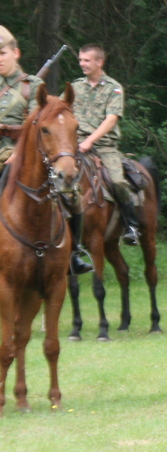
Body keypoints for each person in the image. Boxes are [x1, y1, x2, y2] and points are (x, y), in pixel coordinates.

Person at [0, 28, 92, 273]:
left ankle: (74, 252)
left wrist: (17, 154)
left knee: (72, 192)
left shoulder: (33, 86)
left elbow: (35, 126)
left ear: (15, 53)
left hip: (19, 153)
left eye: (2, 53)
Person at [71, 44, 144, 248]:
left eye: (86, 60)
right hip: (74, 144)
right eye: (80, 60)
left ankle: (132, 226)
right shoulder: (75, 87)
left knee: (118, 181)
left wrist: (89, 141)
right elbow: (60, 108)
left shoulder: (114, 88)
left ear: (99, 62)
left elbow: (111, 120)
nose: (82, 64)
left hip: (103, 147)